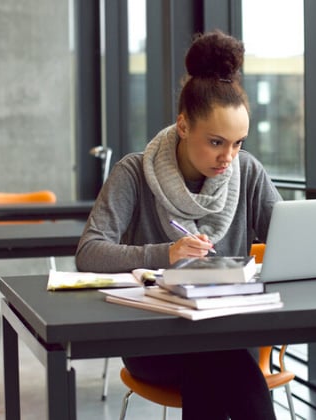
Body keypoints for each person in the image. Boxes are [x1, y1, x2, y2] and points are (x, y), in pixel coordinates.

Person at [76, 30, 281, 419]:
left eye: (238, 143)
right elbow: (88, 253)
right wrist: (165, 254)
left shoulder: (248, 172)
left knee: (219, 361)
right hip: (154, 339)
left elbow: (290, 242)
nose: (229, 157)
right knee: (222, 367)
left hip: (228, 331)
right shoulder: (134, 172)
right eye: (217, 142)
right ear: (184, 126)